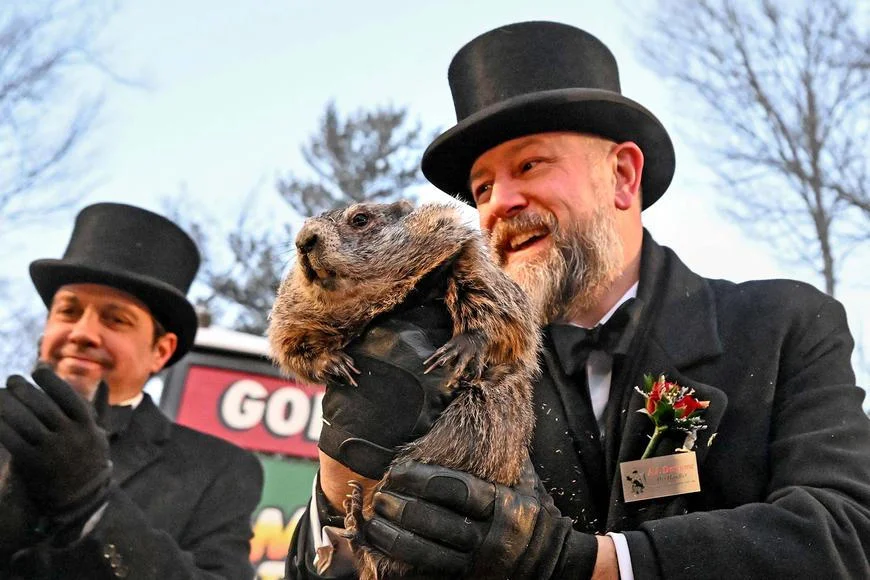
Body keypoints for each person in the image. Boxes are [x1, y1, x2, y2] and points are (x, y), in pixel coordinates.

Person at [285, 21, 870, 580]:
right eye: (483, 187)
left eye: (530, 165)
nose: (498, 204)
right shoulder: (448, 357)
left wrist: (587, 566)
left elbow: (847, 535)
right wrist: (342, 489)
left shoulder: (782, 327)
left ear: (621, 176)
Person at [0, 202, 264, 579]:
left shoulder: (217, 469)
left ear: (160, 351)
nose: (82, 333)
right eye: (68, 312)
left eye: (115, 319)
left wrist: (91, 505)